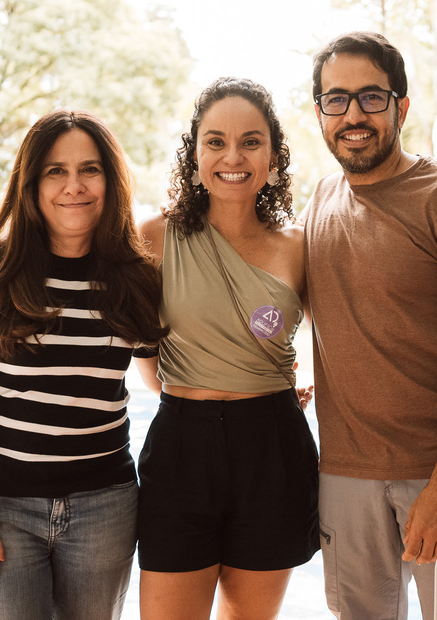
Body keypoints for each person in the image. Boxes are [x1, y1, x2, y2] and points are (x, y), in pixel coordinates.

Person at [303, 31, 437, 619]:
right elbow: (294, 309)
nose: (353, 115)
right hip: (346, 472)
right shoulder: (320, 200)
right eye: (336, 100)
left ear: (401, 107)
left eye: (371, 97)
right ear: (319, 113)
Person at [0, 108, 166, 619]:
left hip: (105, 508)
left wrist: (257, 380)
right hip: (4, 507)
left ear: (111, 181)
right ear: (31, 183)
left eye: (90, 169)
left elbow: (159, 378)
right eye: (56, 171)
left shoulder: (134, 276)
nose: (74, 186)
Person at [134, 77, 319, 620]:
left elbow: (345, 340)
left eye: (250, 142)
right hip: (181, 448)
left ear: (273, 157)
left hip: (273, 450)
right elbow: (145, 353)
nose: (232, 157)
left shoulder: (300, 246)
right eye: (215, 142)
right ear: (194, 156)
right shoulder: (154, 237)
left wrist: (281, 390)